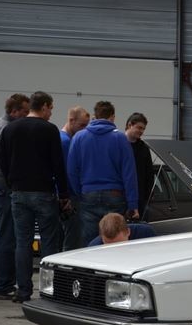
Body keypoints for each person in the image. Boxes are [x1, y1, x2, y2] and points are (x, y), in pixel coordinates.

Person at [0, 91, 70, 303]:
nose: (51, 113)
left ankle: (23, 291)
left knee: (23, 242)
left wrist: (12, 184)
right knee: (49, 242)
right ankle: (48, 291)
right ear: (44, 106)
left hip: (19, 193)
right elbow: (58, 164)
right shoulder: (49, 130)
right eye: (51, 108)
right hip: (43, 192)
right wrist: (63, 194)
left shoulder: (10, 129)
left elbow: (3, 162)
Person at [67, 101, 139, 245]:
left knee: (89, 241)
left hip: (88, 194)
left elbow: (72, 171)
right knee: (115, 238)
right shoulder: (120, 138)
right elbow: (129, 173)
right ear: (112, 117)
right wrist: (132, 204)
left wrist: (79, 192)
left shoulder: (79, 138)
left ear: (95, 115)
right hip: (115, 195)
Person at [0, 94, 30, 300]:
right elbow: (7, 161)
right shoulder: (7, 129)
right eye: (24, 112)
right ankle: (2, 286)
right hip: (3, 186)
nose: (27, 115)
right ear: (14, 111)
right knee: (7, 237)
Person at [59, 106, 90, 251]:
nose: (84, 129)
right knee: (73, 241)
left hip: (64, 195)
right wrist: (70, 195)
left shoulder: (63, 138)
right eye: (82, 125)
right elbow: (68, 172)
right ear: (71, 120)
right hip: (70, 197)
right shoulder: (66, 142)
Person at [124, 112, 155, 217]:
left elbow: (149, 173)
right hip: (120, 196)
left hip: (139, 197)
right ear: (130, 125)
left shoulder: (144, 148)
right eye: (139, 128)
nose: (141, 131)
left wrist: (147, 195)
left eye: (143, 129)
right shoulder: (118, 143)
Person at [87, 213, 156, 246]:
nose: (115, 250)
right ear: (101, 237)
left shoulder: (145, 234)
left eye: (120, 244)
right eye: (108, 245)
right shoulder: (94, 248)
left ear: (128, 232)